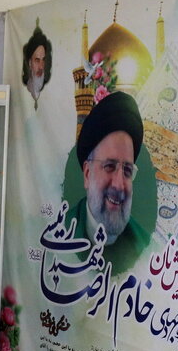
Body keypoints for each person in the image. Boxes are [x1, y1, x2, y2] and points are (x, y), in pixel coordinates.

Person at [68, 91, 149, 265]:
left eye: (127, 170)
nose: (119, 185)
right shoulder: (61, 231)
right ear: (87, 174)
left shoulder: (147, 248)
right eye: (109, 166)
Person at [21, 26, 52, 109]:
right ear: (30, 63)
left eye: (43, 60)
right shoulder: (28, 86)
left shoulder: (47, 84)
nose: (41, 67)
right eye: (37, 60)